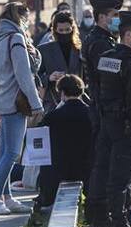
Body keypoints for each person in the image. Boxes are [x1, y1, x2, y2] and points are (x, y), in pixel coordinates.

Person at [87, 11, 131, 227]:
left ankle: (98, 219)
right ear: (129, 36)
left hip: (106, 121)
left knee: (101, 169)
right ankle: (120, 223)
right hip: (125, 125)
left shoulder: (107, 57)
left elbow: (97, 87)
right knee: (121, 177)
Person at [0, 2, 44, 215]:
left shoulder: (2, 37)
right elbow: (24, 75)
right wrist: (36, 103)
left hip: (4, 99)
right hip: (16, 101)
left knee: (5, 151)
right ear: (21, 18)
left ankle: (7, 196)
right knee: (12, 153)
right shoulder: (17, 38)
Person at [82, 0, 124, 227]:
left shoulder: (104, 39)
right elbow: (108, 75)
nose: (117, 19)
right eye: (114, 15)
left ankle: (100, 213)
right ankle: (99, 216)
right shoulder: (99, 42)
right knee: (102, 164)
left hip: (103, 106)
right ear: (101, 17)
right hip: (104, 108)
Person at [36, 74, 93, 209]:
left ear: (62, 92)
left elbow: (38, 138)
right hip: (86, 170)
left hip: (58, 172)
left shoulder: (53, 116)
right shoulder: (91, 114)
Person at [38, 11, 83, 111]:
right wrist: (49, 77)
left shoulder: (80, 49)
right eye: (61, 30)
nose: (64, 33)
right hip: (53, 102)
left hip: (76, 100)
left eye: (67, 30)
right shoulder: (44, 50)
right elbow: (35, 76)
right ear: (54, 30)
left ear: (73, 29)